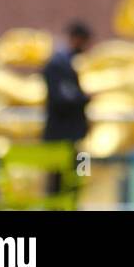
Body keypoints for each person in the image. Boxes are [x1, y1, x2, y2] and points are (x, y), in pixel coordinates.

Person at [42, 21, 91, 199]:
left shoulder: (66, 63)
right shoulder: (58, 65)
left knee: (79, 175)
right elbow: (63, 98)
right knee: (59, 183)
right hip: (63, 136)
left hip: (75, 138)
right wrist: (85, 98)